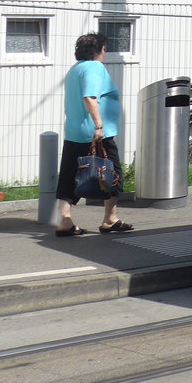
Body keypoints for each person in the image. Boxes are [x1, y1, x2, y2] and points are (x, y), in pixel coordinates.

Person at [55, 32, 133, 236]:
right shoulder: (94, 68)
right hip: (96, 133)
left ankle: (65, 221)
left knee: (69, 176)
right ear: (100, 50)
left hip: (74, 131)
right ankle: (110, 219)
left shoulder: (75, 69)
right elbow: (89, 97)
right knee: (112, 173)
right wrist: (99, 125)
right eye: (104, 49)